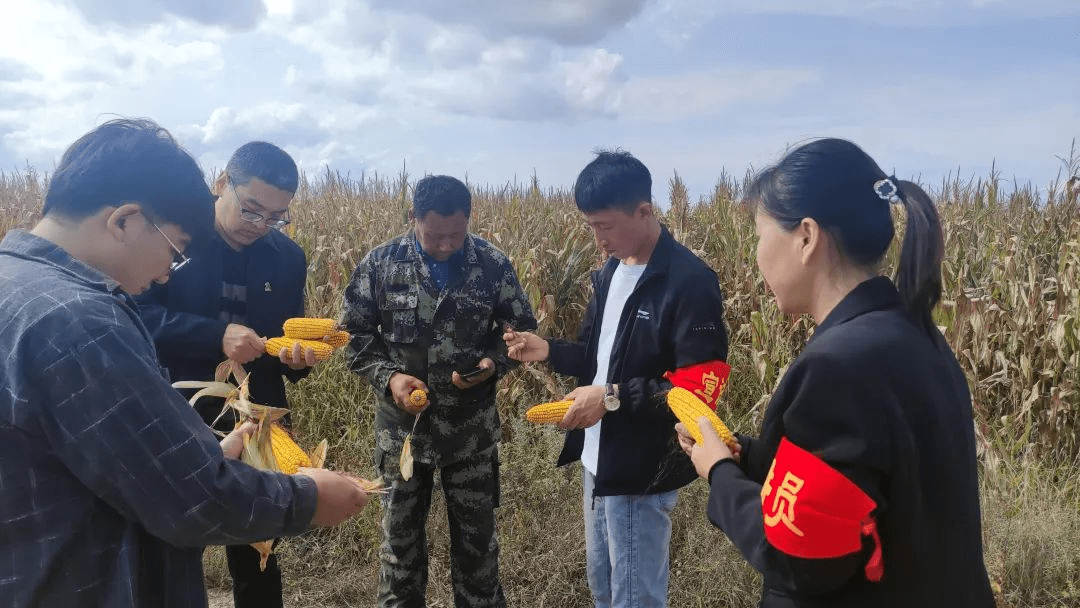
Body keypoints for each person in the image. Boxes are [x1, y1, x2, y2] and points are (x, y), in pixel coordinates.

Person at [0, 118, 368, 608]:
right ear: (124, 221)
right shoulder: (84, 322)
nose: (163, 274)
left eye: (273, 218)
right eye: (174, 251)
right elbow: (188, 500)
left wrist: (290, 357)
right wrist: (308, 499)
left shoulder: (16, 280)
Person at [676, 138, 995, 607]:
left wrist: (720, 474)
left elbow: (797, 562)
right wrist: (750, 456)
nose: (757, 255)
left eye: (760, 235)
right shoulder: (917, 337)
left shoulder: (838, 366)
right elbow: (862, 479)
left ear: (806, 237)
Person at [503, 150, 729, 608]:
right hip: (597, 463)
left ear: (643, 211)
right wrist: (549, 350)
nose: (597, 239)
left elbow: (698, 391)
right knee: (604, 589)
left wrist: (608, 399)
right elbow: (596, 354)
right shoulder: (610, 271)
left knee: (636, 598)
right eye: (591, 226)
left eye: (604, 226)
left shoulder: (688, 282)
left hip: (640, 469)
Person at [136, 140, 320, 608]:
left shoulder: (288, 258)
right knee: (172, 541)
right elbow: (136, 317)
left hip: (256, 416)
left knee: (258, 545)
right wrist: (215, 336)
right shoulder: (175, 238)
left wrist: (294, 358)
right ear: (222, 184)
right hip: (175, 406)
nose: (260, 226)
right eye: (251, 209)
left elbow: (281, 337)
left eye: (275, 217)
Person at [340, 174, 537, 608]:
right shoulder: (382, 264)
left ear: (469, 219)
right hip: (403, 436)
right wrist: (389, 377)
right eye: (434, 235)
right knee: (400, 547)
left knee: (477, 548)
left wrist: (491, 363)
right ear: (413, 217)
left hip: (470, 433)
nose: (445, 244)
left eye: (455, 234)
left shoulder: (491, 264)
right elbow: (352, 335)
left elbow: (519, 329)